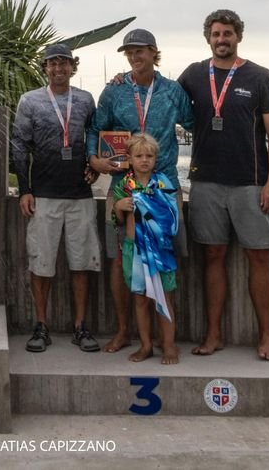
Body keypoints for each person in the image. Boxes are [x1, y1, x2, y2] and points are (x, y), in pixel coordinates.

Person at [177, 9, 269, 361]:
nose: (221, 39)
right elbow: (162, 96)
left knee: (259, 256)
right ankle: (214, 334)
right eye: (216, 34)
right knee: (213, 255)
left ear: (238, 36)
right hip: (206, 181)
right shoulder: (194, 74)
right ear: (208, 38)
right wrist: (123, 79)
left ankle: (266, 335)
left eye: (228, 33)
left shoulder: (260, 77)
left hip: (250, 183)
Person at [86, 28, 193, 353]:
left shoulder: (173, 91)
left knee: (166, 259)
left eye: (140, 51)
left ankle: (165, 338)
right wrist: (95, 160)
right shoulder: (114, 90)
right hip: (123, 187)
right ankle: (124, 332)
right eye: (129, 52)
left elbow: (195, 124)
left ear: (153, 52)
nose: (134, 57)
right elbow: (96, 128)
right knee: (120, 260)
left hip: (164, 188)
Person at [12, 44, 102, 353]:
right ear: (45, 68)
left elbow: (95, 139)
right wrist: (25, 189)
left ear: (73, 67)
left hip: (80, 194)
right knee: (41, 263)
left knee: (82, 263)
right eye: (52, 63)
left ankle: (80, 326)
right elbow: (20, 146)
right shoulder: (30, 101)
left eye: (64, 63)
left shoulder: (86, 100)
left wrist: (95, 167)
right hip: (44, 194)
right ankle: (41, 325)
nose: (58, 68)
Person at [110, 133, 180, 365]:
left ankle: (168, 345)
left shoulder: (163, 183)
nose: (144, 160)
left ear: (155, 159)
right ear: (129, 158)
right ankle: (146, 345)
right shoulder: (124, 185)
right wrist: (119, 207)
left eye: (149, 156)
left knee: (164, 298)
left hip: (160, 250)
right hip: (135, 250)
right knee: (140, 298)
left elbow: (172, 216)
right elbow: (117, 221)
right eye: (139, 156)